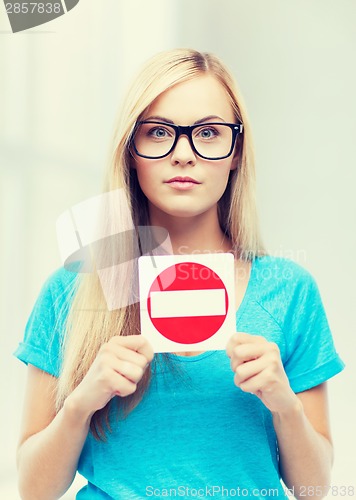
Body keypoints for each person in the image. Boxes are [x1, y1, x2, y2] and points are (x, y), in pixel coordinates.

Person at [15, 48, 344, 499]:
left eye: (209, 133)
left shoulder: (289, 290)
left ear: (236, 153)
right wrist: (80, 405)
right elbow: (33, 490)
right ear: (131, 150)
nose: (184, 154)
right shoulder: (71, 291)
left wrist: (284, 403)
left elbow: (315, 489)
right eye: (158, 132)